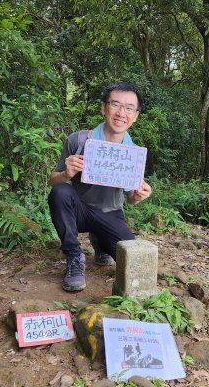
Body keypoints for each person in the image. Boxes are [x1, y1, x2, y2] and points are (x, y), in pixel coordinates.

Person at [48, 82, 152, 292]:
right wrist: (66, 174)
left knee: (128, 256)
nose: (121, 113)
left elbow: (130, 199)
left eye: (129, 108)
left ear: (135, 115)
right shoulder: (78, 140)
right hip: (79, 211)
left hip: (111, 214)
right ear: (104, 108)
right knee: (60, 191)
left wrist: (138, 195)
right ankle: (74, 256)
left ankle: (101, 241)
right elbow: (53, 180)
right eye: (115, 105)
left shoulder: (133, 154)